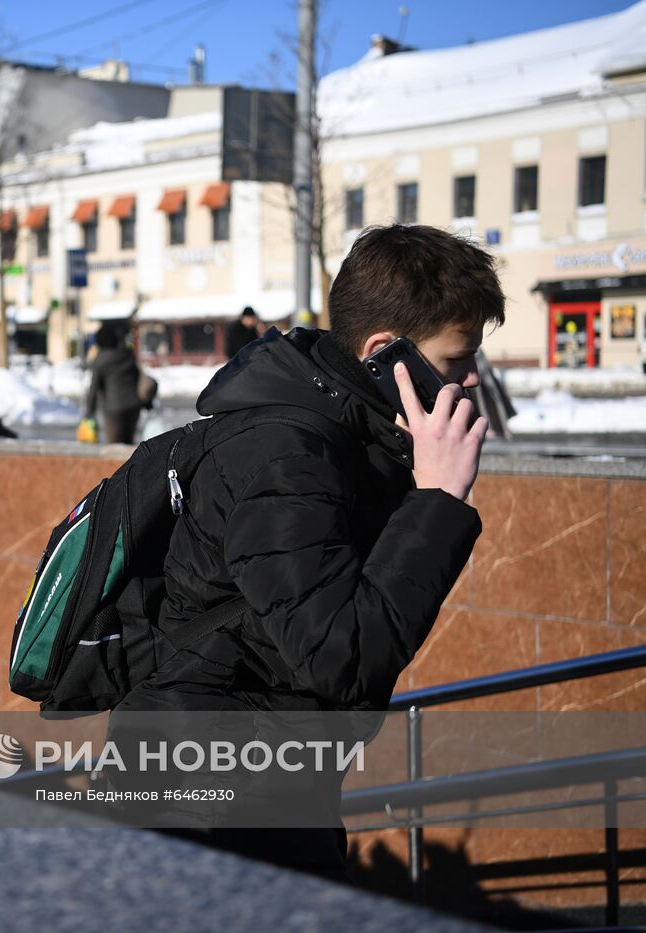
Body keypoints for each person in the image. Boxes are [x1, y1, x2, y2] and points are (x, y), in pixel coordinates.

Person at [118, 224, 502, 876]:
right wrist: (437, 500)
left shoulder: (338, 427)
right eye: (456, 359)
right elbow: (341, 655)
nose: (470, 381)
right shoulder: (285, 455)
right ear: (387, 353)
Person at [84, 323, 141, 444]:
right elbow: (138, 377)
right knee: (129, 444)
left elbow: (93, 389)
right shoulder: (128, 355)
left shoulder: (100, 360)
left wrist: (89, 412)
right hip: (134, 405)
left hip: (113, 409)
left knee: (114, 447)